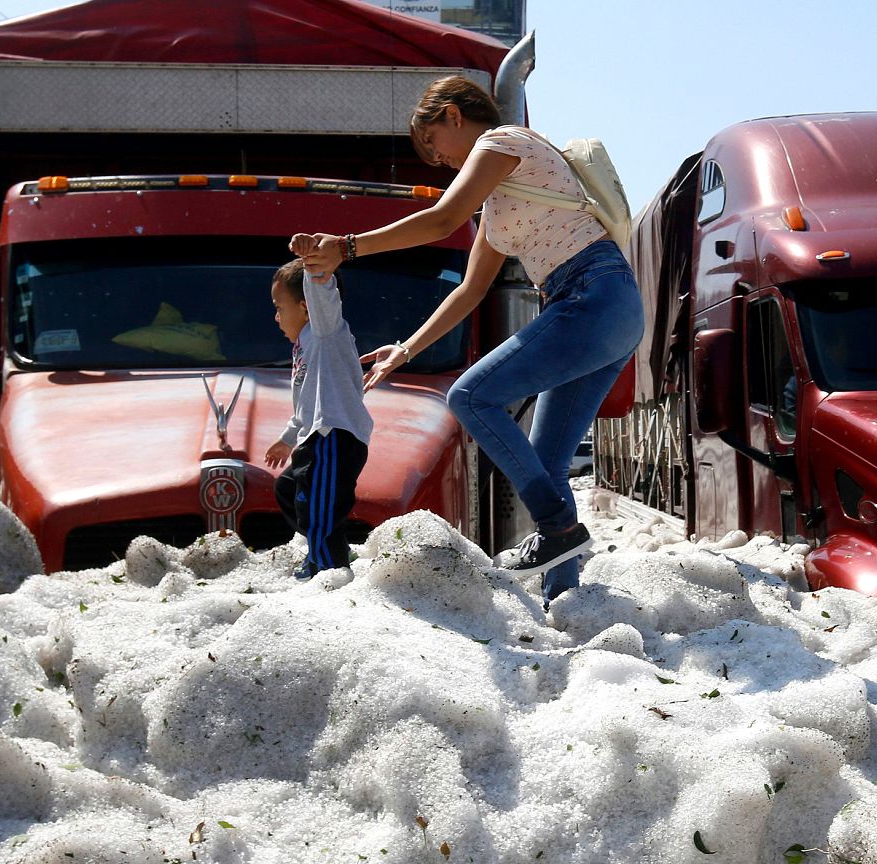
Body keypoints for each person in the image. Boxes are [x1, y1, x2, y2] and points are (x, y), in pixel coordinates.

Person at [289, 75, 643, 604]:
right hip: (603, 308)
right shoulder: (499, 206)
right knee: (546, 465)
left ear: (454, 115)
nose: (441, 162)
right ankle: (563, 601)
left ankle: (561, 530)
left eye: (435, 144)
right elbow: (471, 290)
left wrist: (348, 246)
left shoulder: (503, 142)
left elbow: (441, 220)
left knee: (470, 396)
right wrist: (407, 347)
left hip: (592, 294)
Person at [264, 259, 372, 582]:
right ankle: (330, 548)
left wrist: (315, 266)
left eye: (280, 307)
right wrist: (287, 438)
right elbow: (305, 405)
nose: (276, 317)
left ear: (306, 307)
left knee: (319, 508)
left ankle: (326, 571)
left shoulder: (324, 332)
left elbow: (323, 295)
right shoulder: (303, 346)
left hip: (334, 436)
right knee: (288, 490)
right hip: (313, 436)